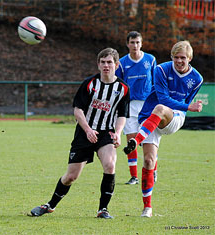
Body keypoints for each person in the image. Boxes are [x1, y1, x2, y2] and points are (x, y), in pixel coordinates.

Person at [29, 48, 130, 219]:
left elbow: (122, 114)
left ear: (117, 64)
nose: (106, 65)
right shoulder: (90, 84)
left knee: (110, 165)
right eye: (103, 62)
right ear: (98, 64)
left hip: (106, 133)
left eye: (110, 62)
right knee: (71, 176)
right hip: (84, 133)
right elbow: (78, 110)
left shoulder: (123, 88)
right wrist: (88, 130)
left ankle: (103, 210)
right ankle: (49, 205)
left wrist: (118, 133)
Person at [123, 40, 203, 218]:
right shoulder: (160, 69)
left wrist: (185, 108)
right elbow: (163, 98)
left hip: (174, 118)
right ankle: (147, 208)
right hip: (151, 117)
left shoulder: (197, 79)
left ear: (190, 58)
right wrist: (188, 106)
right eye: (176, 57)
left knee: (159, 109)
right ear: (171, 57)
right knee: (149, 161)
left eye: (183, 58)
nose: (179, 61)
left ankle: (136, 140)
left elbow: (177, 104)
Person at [115, 31, 157, 185]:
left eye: (137, 42)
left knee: (148, 141)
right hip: (130, 105)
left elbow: (156, 82)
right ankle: (134, 176)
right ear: (127, 44)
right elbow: (118, 84)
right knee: (131, 140)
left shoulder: (150, 60)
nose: (135, 45)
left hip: (147, 104)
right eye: (132, 42)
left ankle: (153, 171)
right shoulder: (122, 62)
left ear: (142, 43)